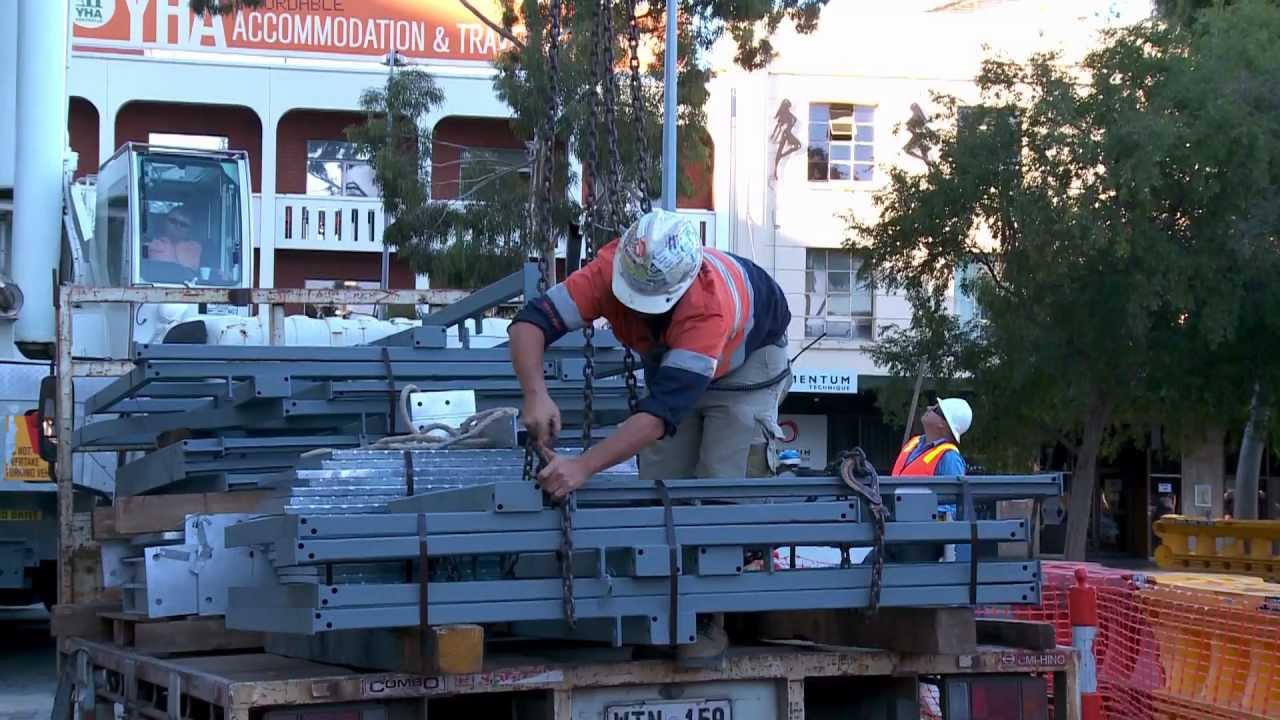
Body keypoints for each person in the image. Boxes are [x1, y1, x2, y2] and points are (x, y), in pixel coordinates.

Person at [508, 208, 792, 664]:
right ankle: (660, 608)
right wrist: (535, 394)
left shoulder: (707, 305)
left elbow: (659, 415)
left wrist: (582, 467)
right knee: (661, 484)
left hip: (746, 364)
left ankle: (707, 618)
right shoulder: (611, 268)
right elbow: (531, 321)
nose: (638, 307)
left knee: (722, 482)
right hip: (675, 359)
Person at [891, 397, 971, 476]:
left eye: (936, 410)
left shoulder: (950, 459)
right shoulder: (914, 443)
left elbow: (951, 485)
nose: (929, 408)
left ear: (943, 423)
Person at [142, 207, 203, 282]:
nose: (178, 226)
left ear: (189, 230)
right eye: (173, 221)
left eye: (183, 225)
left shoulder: (198, 249)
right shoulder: (149, 244)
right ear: (164, 222)